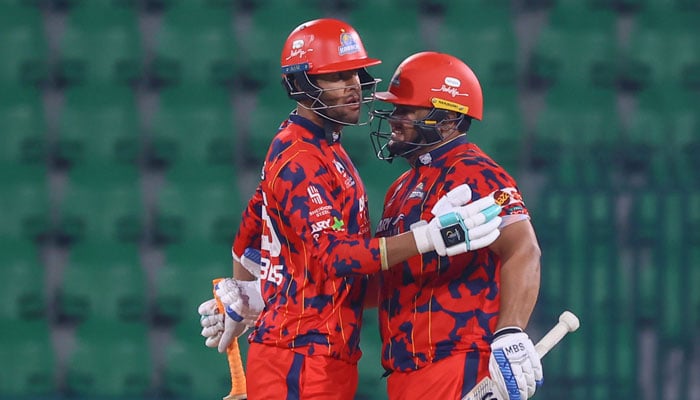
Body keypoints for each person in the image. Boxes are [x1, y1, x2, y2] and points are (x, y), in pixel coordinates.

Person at [197, 20, 504, 400]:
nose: (354, 86)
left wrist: (255, 293)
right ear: (301, 84)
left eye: (356, 74)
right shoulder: (298, 155)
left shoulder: (327, 150)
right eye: (337, 77)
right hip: (297, 356)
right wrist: (428, 237)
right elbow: (334, 257)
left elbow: (252, 231)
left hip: (326, 356)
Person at [367, 51, 543, 400]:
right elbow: (383, 284)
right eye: (396, 108)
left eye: (406, 110)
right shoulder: (399, 188)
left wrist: (510, 331)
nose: (394, 118)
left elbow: (523, 248)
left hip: (460, 365)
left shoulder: (478, 173)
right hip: (405, 373)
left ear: (447, 119)